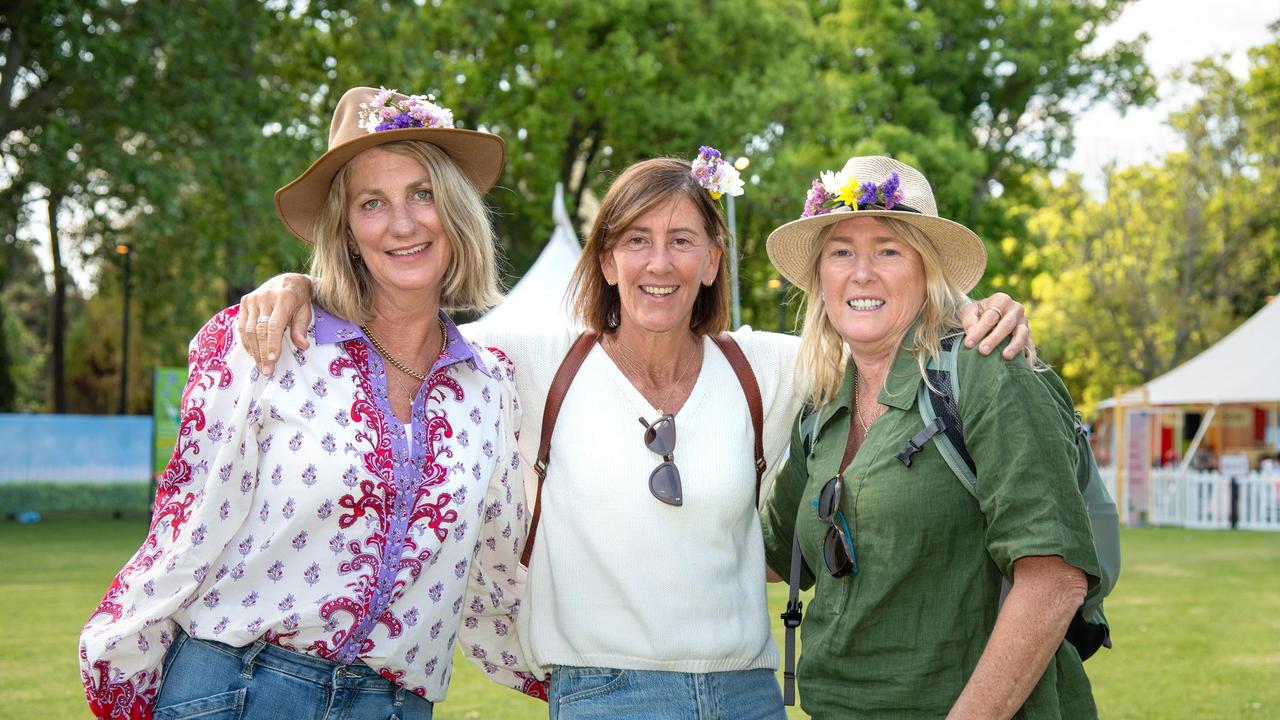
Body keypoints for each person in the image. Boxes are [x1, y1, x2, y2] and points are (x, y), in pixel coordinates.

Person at [237, 151, 1031, 719]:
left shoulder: (768, 368)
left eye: (683, 240)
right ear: (606, 261)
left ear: (714, 261)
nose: (661, 262)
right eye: (636, 241)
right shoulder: (531, 364)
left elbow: (881, 325)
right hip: (602, 696)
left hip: (749, 695)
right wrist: (305, 284)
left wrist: (982, 310)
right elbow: (401, 327)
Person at [79, 86, 532, 720]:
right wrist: (121, 667)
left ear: (455, 211)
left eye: (421, 194)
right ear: (346, 232)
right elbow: (187, 526)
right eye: (371, 203)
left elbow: (499, 566)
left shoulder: (491, 386)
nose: (402, 223)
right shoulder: (265, 344)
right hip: (237, 689)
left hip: (393, 705)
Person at [760, 155, 1101, 719]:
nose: (861, 272)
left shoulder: (991, 369)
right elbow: (771, 556)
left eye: (888, 251)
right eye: (841, 251)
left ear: (929, 270)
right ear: (821, 276)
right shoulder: (822, 403)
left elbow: (1053, 581)